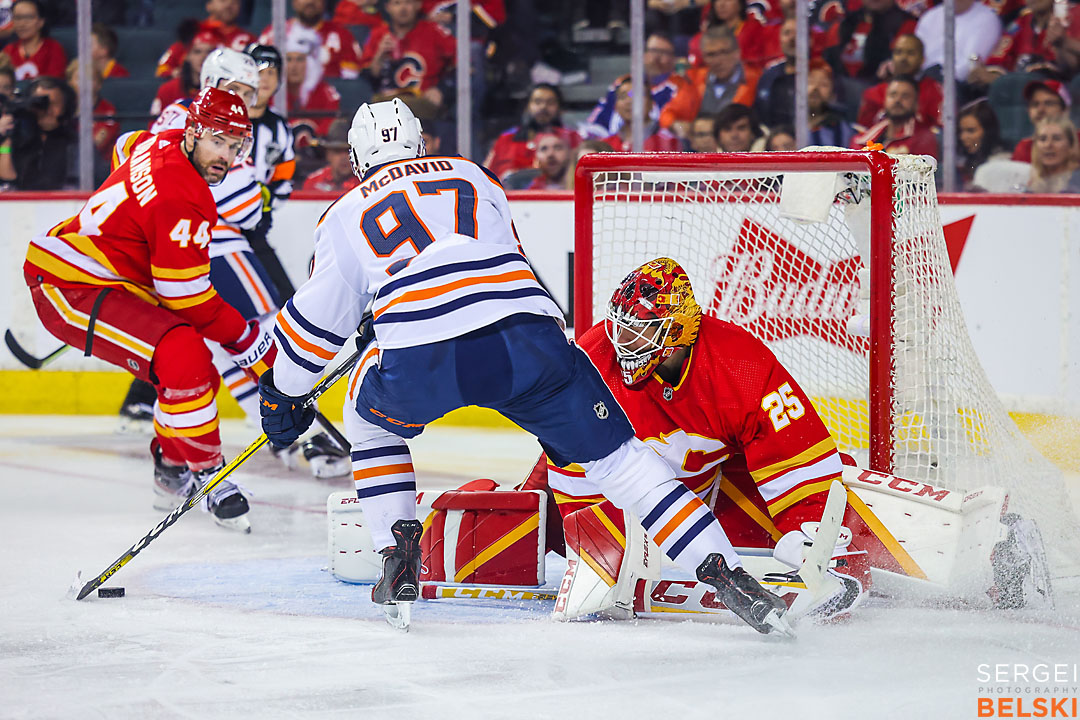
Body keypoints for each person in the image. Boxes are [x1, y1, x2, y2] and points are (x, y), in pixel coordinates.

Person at [258, 99, 792, 635]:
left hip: (425, 354)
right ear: (421, 143)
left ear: (356, 158)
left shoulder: (342, 214)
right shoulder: (474, 174)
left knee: (369, 422)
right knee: (620, 461)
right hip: (528, 338)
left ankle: (396, 557)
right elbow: (498, 263)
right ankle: (730, 575)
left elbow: (314, 329)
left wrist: (283, 395)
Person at [533, 258, 860, 621]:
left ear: (674, 332)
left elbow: (796, 453)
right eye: (618, 329)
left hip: (706, 502)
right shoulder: (594, 357)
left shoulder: (742, 365)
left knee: (834, 481)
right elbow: (570, 460)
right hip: (617, 499)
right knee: (539, 496)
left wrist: (811, 540)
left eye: (637, 333)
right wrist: (596, 541)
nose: (620, 343)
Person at [22, 87, 274, 532]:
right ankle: (207, 472)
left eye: (235, 147)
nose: (226, 157)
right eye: (217, 141)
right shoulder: (183, 196)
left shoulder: (161, 138)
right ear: (194, 132)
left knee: (190, 374)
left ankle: (172, 468)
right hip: (71, 285)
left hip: (100, 276)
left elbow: (125, 146)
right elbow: (186, 296)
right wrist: (246, 339)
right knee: (184, 355)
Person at [130, 47, 346, 478]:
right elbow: (246, 207)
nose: (243, 99)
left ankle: (273, 436)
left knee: (224, 348)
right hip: (218, 245)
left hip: (175, 248)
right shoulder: (213, 127)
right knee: (268, 335)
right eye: (234, 88)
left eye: (248, 91)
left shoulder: (175, 119)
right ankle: (301, 436)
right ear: (211, 82)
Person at [243, 44, 298, 300]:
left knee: (284, 297)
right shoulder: (226, 116)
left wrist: (264, 203)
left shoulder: (280, 128)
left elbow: (284, 178)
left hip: (255, 228)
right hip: (215, 229)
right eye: (258, 71)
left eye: (272, 73)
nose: (264, 79)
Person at [579, 32, 688, 140]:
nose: (656, 58)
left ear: (674, 58)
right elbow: (597, 122)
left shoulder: (680, 86)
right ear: (643, 54)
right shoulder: (623, 83)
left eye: (664, 52)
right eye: (653, 51)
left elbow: (679, 127)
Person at [660, 25, 760, 139]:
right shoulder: (695, 79)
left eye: (724, 52)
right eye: (711, 55)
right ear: (703, 57)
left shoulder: (755, 79)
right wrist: (680, 127)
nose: (718, 60)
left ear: (737, 53)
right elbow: (668, 114)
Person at [358, 0, 455, 108]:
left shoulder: (435, 32)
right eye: (397, 3)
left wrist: (441, 89)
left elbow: (463, 66)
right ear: (388, 7)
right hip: (386, 103)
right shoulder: (378, 34)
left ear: (418, 5)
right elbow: (366, 78)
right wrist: (379, 56)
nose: (403, 8)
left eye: (408, 2)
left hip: (421, 102)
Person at [484, 83, 581, 180]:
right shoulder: (506, 139)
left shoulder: (571, 138)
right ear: (527, 107)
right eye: (537, 102)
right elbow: (485, 177)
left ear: (560, 108)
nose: (543, 107)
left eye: (550, 102)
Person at [0, 75, 74, 190]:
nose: (48, 110)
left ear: (65, 107)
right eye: (40, 104)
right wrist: (5, 137)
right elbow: (7, 181)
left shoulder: (74, 142)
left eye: (54, 104)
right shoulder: (20, 136)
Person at [258, 0, 363, 79]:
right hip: (284, 103)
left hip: (328, 104)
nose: (310, 1)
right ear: (294, 2)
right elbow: (260, 73)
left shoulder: (343, 36)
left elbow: (351, 81)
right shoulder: (274, 33)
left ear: (324, 3)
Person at [156, 0, 256, 80]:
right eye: (223, 0)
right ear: (209, 5)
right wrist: (176, 73)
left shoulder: (249, 39)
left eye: (235, 2)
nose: (229, 5)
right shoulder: (194, 31)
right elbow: (163, 69)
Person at [857, 34, 942, 128]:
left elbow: (941, 132)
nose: (903, 58)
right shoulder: (873, 93)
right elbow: (863, 132)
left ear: (922, 59)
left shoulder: (935, 91)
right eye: (898, 52)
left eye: (910, 53)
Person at [984, 0, 1080, 77]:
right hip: (1022, 87)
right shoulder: (1019, 24)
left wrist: (1064, 42)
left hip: (1060, 86)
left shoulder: (1075, 15)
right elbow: (996, 63)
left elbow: (1072, 67)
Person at [849, 75, 937, 158]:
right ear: (885, 100)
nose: (897, 100)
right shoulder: (861, 139)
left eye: (905, 96)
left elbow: (925, 172)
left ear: (916, 103)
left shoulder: (924, 139)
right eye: (893, 95)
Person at [914, 0, 1000, 83]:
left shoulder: (986, 18)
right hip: (923, 79)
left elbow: (971, 63)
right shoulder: (929, 17)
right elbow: (917, 54)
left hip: (957, 84)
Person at [283, 28, 341, 137]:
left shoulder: (325, 91)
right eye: (289, 59)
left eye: (300, 60)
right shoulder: (275, 91)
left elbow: (331, 124)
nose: (293, 66)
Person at [601, 76, 682, 152]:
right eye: (622, 96)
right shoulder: (606, 145)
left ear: (651, 104)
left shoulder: (669, 143)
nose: (629, 101)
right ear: (615, 106)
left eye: (637, 95)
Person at [150, 29, 219, 118]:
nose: (204, 57)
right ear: (187, 56)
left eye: (209, 52)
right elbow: (154, 126)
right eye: (197, 52)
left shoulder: (224, 89)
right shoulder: (168, 89)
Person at [688, 0, 767, 71]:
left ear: (740, 3)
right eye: (717, 0)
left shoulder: (756, 30)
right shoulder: (703, 37)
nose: (721, 4)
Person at [1011, 80, 1078, 163]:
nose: (1040, 110)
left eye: (1049, 103)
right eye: (1035, 104)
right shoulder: (1024, 147)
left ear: (1065, 110)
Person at [2, 0, 65, 80]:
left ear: (41, 22)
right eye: (17, 18)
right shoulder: (8, 50)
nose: (22, 24)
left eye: (28, 17)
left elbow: (55, 84)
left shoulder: (53, 49)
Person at [957, 100, 1008, 190]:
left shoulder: (1003, 162)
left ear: (988, 131)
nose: (963, 137)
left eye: (971, 130)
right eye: (961, 131)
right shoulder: (961, 163)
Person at [302, 117, 358, 192]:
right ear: (328, 155)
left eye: (348, 151)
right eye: (337, 151)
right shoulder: (313, 182)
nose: (344, 157)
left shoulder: (365, 183)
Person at [1026, 116, 1080, 193]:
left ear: (1071, 145)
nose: (1048, 145)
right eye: (1042, 139)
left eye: (1056, 138)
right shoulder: (1027, 182)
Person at [807, 62, 854, 148]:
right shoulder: (784, 122)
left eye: (824, 84)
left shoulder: (840, 129)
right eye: (810, 82)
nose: (815, 88)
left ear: (833, 95)